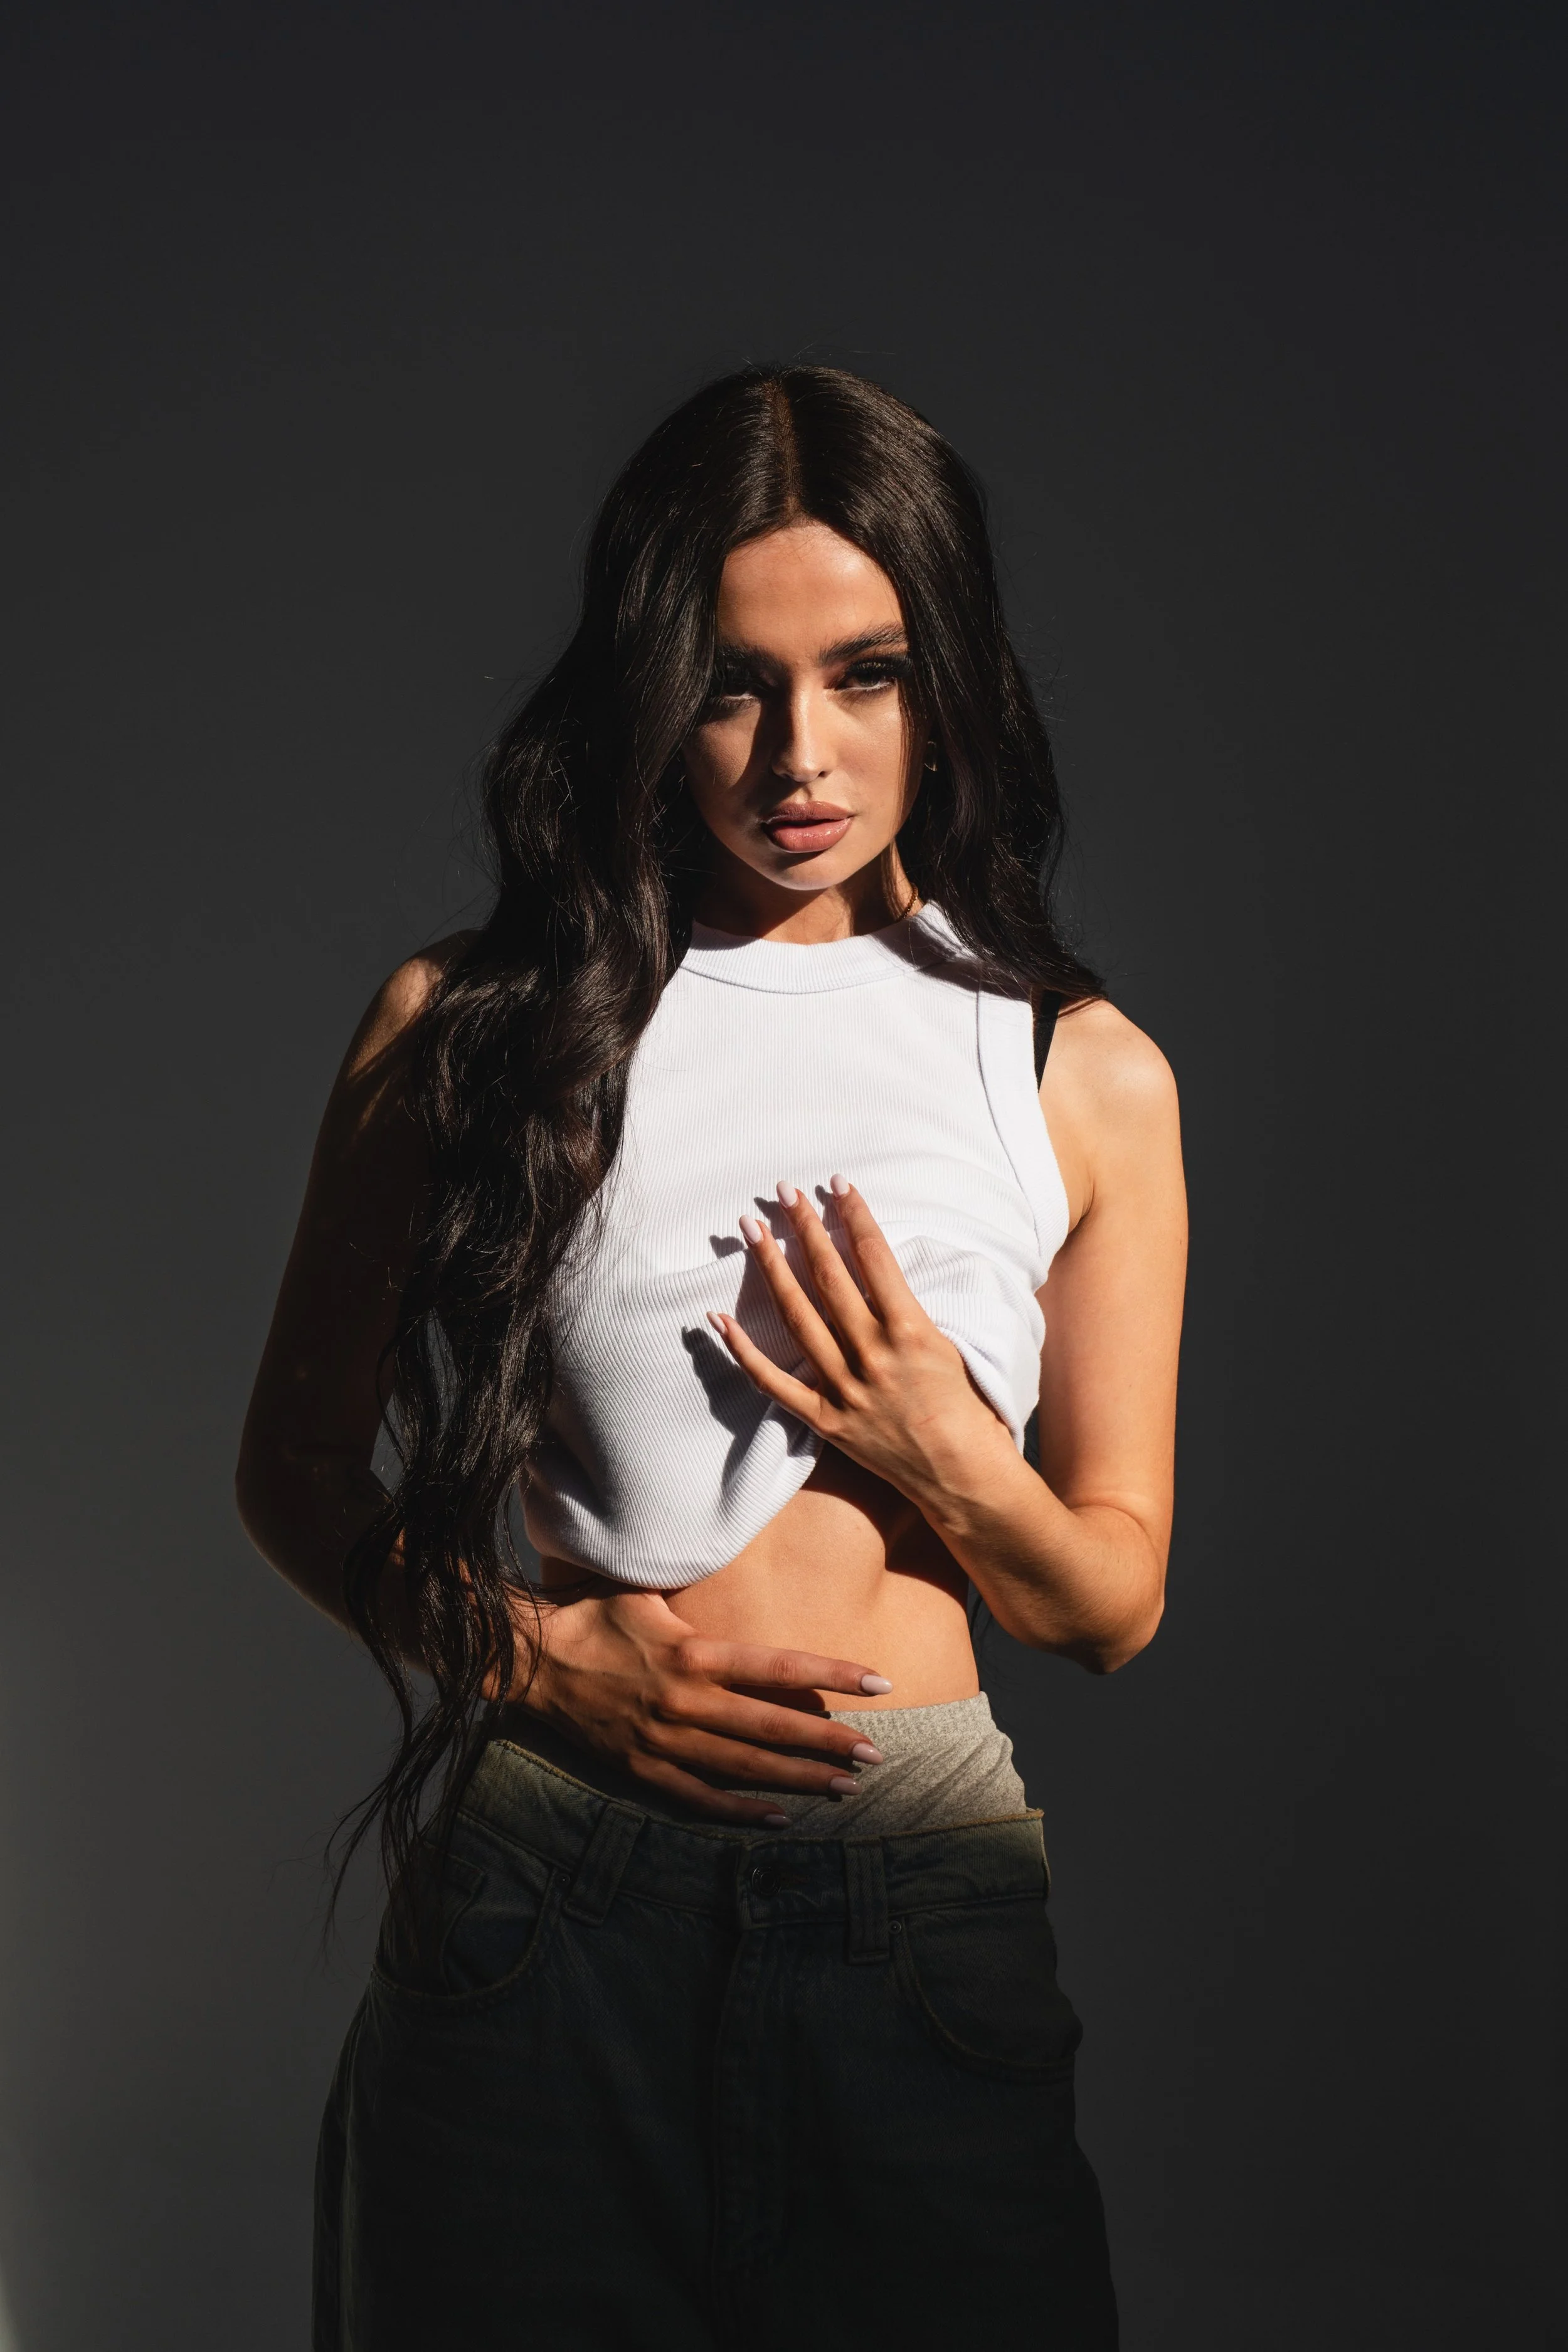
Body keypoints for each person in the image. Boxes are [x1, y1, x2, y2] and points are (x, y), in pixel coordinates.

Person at [236, 364, 1187, 2351]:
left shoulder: (1072, 1071)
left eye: (865, 673)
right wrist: (545, 1657)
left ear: (951, 681)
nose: (797, 755)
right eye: (730, 682)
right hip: (545, 1903)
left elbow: (1106, 1601)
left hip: (912, 1892)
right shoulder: (469, 1025)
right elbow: (296, 1474)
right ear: (647, 691)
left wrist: (945, 1449)